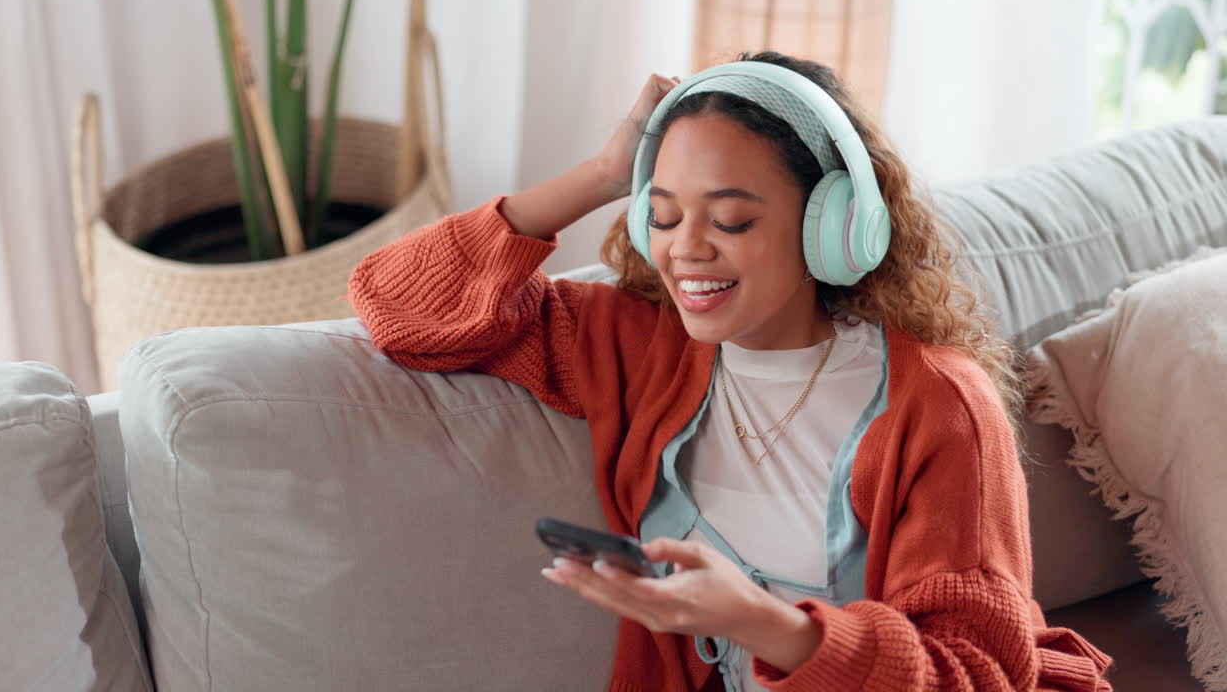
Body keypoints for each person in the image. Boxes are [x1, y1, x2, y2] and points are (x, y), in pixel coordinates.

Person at [347, 51, 1115, 691]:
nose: (686, 249)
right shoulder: (638, 345)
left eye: (732, 219)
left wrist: (758, 622)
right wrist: (603, 173)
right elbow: (395, 304)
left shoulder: (938, 404)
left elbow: (976, 673)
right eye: (663, 215)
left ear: (832, 225)